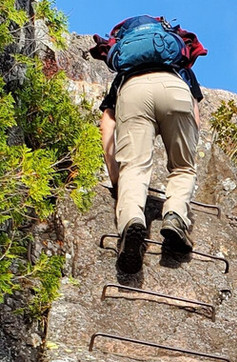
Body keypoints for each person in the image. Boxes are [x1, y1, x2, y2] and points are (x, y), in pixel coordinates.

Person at [90, 16, 206, 274]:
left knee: (135, 167)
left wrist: (115, 175)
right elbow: (195, 114)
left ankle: (132, 221)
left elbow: (107, 122)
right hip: (175, 89)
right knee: (183, 167)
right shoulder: (178, 66)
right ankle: (175, 217)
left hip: (133, 91)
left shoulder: (125, 72)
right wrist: (187, 144)